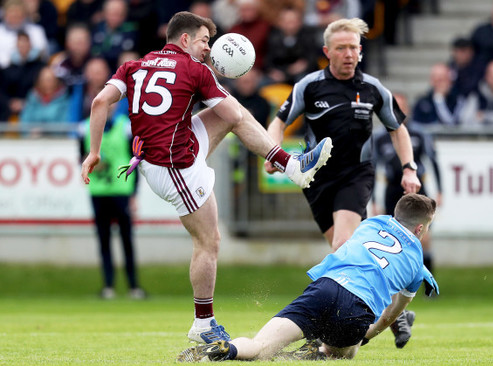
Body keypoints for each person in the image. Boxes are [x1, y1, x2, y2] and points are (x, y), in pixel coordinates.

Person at [80, 11, 332, 344]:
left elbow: (100, 101)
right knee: (209, 241)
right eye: (203, 41)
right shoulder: (195, 69)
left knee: (233, 114)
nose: (208, 49)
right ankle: (202, 324)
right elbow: (232, 113)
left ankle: (290, 165)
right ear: (184, 39)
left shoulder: (135, 65)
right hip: (175, 167)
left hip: (162, 154)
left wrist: (93, 151)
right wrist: (214, 80)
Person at [179, 193, 439, 362]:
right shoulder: (418, 266)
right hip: (356, 310)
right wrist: (368, 336)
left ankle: (229, 349)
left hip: (325, 287)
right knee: (347, 352)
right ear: (419, 228)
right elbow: (392, 315)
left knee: (260, 348)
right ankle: (321, 352)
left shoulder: (370, 224)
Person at [265, 17, 421, 253]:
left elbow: (398, 129)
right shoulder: (309, 86)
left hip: (356, 174)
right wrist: (273, 153)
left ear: (360, 50)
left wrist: (409, 168)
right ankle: (370, 287)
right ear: (327, 51)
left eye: (353, 47)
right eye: (341, 48)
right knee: (343, 253)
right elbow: (278, 122)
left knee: (343, 244)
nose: (348, 54)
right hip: (315, 177)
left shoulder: (373, 88)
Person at [373, 93, 443, 291]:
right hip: (392, 191)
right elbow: (372, 168)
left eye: (401, 107)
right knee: (390, 239)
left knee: (423, 237)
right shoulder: (379, 137)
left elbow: (433, 161)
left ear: (408, 110)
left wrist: (440, 191)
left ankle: (428, 284)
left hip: (417, 190)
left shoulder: (420, 133)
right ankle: (394, 285)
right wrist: (373, 201)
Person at [80, 106, 146, 300]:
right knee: (103, 239)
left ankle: (133, 285)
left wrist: (134, 192)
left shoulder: (125, 126)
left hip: (121, 189)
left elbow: (136, 158)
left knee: (127, 239)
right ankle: (108, 285)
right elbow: (81, 156)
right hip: (98, 190)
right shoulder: (84, 128)